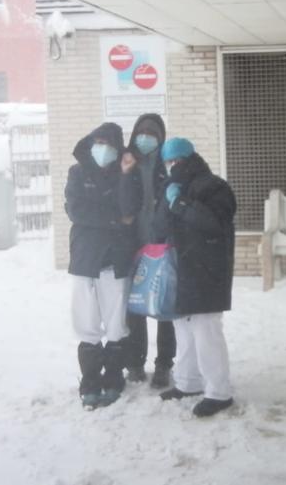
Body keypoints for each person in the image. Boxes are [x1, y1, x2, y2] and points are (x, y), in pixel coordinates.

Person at [153, 137, 238, 418]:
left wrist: (180, 203)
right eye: (168, 161)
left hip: (207, 268)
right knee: (184, 328)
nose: (172, 166)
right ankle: (188, 382)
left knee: (206, 329)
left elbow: (212, 224)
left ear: (191, 158)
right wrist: (169, 203)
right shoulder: (169, 187)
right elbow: (161, 226)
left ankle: (218, 392)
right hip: (181, 268)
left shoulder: (214, 186)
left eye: (177, 160)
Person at [64, 122, 140, 409]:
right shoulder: (77, 172)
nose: (103, 147)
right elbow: (76, 210)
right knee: (86, 322)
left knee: (116, 322)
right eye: (98, 141)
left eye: (109, 143)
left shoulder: (125, 174)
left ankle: (113, 377)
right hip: (85, 259)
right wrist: (113, 221)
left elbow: (129, 209)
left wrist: (124, 174)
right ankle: (90, 381)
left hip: (116, 259)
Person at [122, 113, 177, 388]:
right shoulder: (126, 162)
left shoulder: (167, 164)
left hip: (162, 244)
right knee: (135, 308)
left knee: (165, 305)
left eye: (152, 133)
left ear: (161, 137)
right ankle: (134, 363)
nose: (146, 137)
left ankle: (164, 365)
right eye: (141, 132)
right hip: (133, 246)